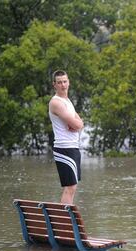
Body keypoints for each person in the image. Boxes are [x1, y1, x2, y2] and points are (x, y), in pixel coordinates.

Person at [48, 70, 84, 204]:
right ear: (54, 85)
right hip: (64, 148)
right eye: (59, 82)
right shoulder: (56, 102)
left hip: (73, 147)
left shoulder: (67, 101)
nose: (63, 85)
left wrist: (76, 124)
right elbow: (76, 123)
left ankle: (65, 219)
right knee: (70, 187)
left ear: (68, 82)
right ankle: (64, 221)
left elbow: (80, 123)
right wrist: (75, 123)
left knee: (73, 187)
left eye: (65, 81)